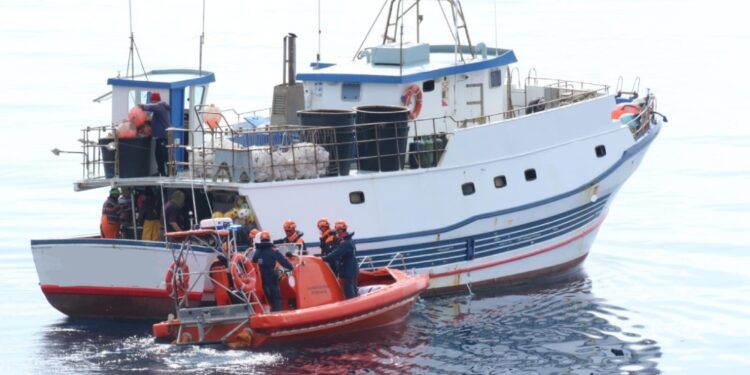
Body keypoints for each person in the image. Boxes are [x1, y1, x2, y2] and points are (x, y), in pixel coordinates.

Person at [251, 231, 294, 312]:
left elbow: (253, 261)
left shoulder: (257, 251)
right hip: (271, 278)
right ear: (270, 239)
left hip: (260, 280)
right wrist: (291, 267)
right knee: (276, 297)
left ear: (260, 240)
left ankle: (268, 312)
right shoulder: (273, 251)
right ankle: (277, 314)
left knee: (267, 297)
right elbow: (283, 261)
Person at [322, 220, 359, 299]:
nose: (338, 233)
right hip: (351, 268)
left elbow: (336, 254)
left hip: (348, 269)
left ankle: (352, 304)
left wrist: (323, 258)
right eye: (338, 231)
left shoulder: (346, 243)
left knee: (349, 289)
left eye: (340, 231)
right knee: (352, 287)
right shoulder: (349, 241)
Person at [139, 92, 171, 176]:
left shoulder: (159, 106)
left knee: (163, 155)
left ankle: (168, 172)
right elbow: (156, 119)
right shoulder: (160, 107)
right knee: (159, 154)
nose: (151, 102)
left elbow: (149, 107)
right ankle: (162, 172)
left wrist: (141, 106)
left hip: (163, 136)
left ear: (154, 100)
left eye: (151, 100)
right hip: (160, 136)